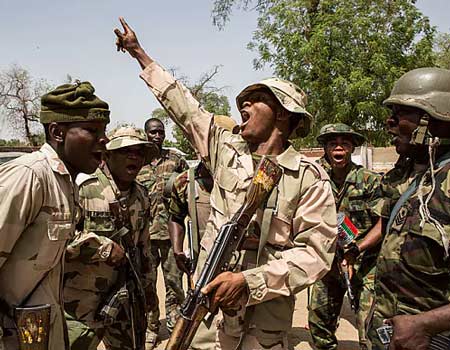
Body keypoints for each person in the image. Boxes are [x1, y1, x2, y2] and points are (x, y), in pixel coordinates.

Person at [114, 17, 337, 350]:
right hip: (209, 313)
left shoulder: (308, 177)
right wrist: (139, 54)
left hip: (263, 320)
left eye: (256, 99)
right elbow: (184, 108)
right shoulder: (225, 151)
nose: (243, 106)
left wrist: (249, 282)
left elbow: (316, 255)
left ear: (282, 114)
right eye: (243, 102)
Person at [0, 81, 110, 349]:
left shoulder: (65, 182)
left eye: (104, 131)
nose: (104, 139)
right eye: (92, 131)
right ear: (57, 132)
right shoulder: (30, 176)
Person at [358, 67, 450, 350]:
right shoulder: (422, 176)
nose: (390, 123)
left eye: (400, 115)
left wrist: (427, 324)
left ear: (431, 118)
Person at [63, 126, 157, 350]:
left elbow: (144, 248)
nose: (134, 157)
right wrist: (102, 248)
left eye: (139, 152)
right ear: (107, 155)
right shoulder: (83, 189)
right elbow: (61, 240)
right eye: (126, 151)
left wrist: (148, 290)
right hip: (82, 302)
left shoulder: (142, 195)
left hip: (125, 298)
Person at [308, 123, 381, 350]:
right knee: (318, 320)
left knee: (369, 327)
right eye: (333, 144)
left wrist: (355, 251)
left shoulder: (369, 180)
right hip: (329, 261)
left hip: (364, 262)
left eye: (344, 144)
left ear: (352, 148)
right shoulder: (315, 179)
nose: (339, 149)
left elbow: (383, 223)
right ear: (326, 149)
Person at [136, 117, 189, 348]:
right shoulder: (137, 162)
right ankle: (151, 328)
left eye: (160, 132)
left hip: (170, 236)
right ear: (145, 134)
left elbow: (190, 189)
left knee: (175, 285)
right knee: (147, 285)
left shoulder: (176, 160)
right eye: (153, 133)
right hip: (145, 237)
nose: (157, 136)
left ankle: (176, 327)